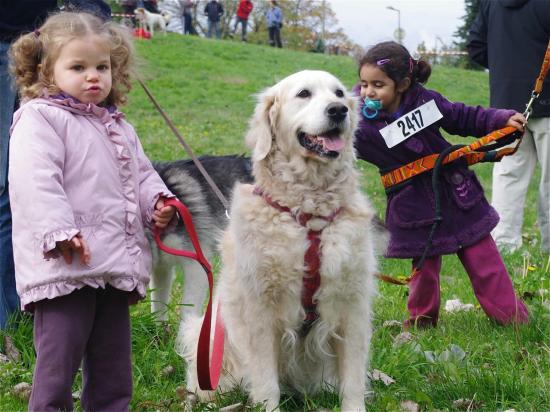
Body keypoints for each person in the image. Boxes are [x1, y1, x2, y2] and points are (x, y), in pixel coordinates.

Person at [8, 11, 176, 410]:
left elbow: (141, 172)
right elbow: (35, 181)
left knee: (113, 367)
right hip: (65, 266)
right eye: (78, 67)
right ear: (46, 71)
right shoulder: (40, 120)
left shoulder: (118, 126)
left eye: (102, 67)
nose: (93, 77)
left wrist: (158, 201)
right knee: (57, 366)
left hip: (113, 267)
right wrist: (59, 232)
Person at [354, 41, 529, 328]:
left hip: (454, 191)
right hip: (411, 202)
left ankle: (512, 319)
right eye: (363, 84)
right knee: (424, 265)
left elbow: (462, 116)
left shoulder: (426, 102)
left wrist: (500, 119)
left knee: (483, 258)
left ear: (402, 84)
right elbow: (335, 143)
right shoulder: (357, 119)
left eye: (377, 85)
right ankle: (422, 321)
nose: (367, 92)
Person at [0, 0, 111, 333]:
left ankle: (46, 309)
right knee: (6, 189)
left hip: (58, 44)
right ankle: (10, 322)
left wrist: (89, 20)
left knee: (70, 173)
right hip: (12, 38)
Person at [467, 0, 550, 253]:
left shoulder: (492, 2)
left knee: (508, 177)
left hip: (505, 105)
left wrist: (507, 66)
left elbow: (476, 46)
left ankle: (503, 246)